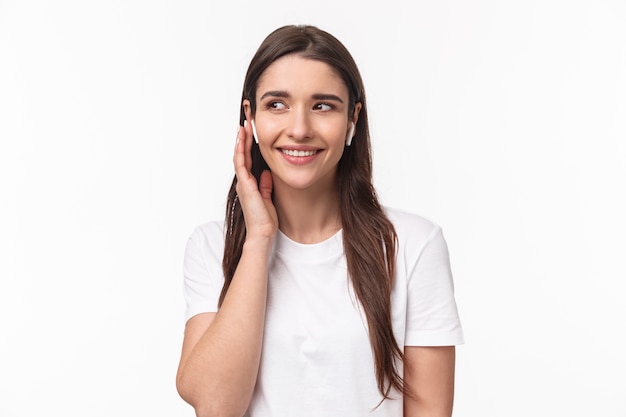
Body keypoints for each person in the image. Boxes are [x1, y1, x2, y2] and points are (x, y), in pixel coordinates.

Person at [176, 24, 464, 417]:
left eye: (323, 105)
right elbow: (214, 407)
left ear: (352, 119)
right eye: (277, 104)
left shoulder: (413, 244)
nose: (299, 129)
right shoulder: (212, 247)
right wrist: (259, 239)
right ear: (251, 117)